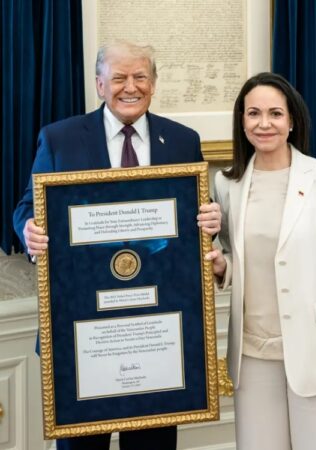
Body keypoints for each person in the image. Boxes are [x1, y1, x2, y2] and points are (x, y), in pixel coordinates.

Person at [12, 41, 221, 450]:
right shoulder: (60, 138)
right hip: (82, 328)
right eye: (120, 77)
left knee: (153, 443)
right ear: (99, 84)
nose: (131, 87)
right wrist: (29, 229)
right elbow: (27, 207)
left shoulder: (182, 140)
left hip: (157, 327)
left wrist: (210, 222)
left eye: (140, 77)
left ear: (153, 83)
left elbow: (193, 218)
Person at [205, 72, 316, 450]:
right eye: (253, 113)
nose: (264, 123)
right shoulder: (226, 184)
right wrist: (222, 267)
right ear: (242, 121)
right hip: (252, 352)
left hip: (312, 346)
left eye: (275, 114)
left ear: (292, 120)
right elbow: (234, 254)